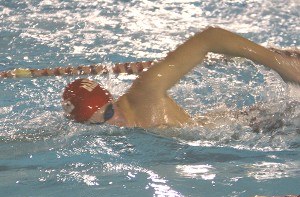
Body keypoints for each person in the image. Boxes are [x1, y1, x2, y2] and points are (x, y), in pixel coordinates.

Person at [62, 27, 300, 128]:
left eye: (109, 112)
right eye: (98, 125)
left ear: (111, 99)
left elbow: (211, 37)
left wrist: (280, 64)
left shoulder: (144, 92)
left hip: (259, 127)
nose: (113, 123)